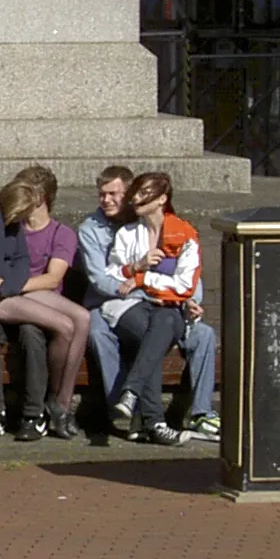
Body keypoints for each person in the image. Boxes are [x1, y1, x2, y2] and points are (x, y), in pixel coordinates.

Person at [79, 166, 218, 441]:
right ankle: (125, 411)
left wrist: (189, 299)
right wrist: (146, 283)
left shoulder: (178, 231)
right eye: (102, 194)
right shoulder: (98, 230)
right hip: (116, 303)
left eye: (114, 194)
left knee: (203, 334)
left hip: (165, 308)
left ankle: (198, 413)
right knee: (105, 332)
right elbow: (105, 282)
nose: (107, 200)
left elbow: (190, 280)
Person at [0, 168, 89, 441]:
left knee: (81, 318)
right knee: (59, 326)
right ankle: (15, 411)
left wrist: (6, 284)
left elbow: (26, 268)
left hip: (13, 293)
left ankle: (59, 404)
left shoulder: (25, 228)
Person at [106, 172, 203, 447]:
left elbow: (184, 287)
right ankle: (154, 422)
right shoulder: (127, 234)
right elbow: (113, 276)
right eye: (135, 192)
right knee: (152, 337)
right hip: (130, 306)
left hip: (168, 310)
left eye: (144, 192)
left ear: (162, 199)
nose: (135, 197)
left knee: (161, 327)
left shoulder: (185, 235)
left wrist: (141, 279)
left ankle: (133, 397)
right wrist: (138, 266)